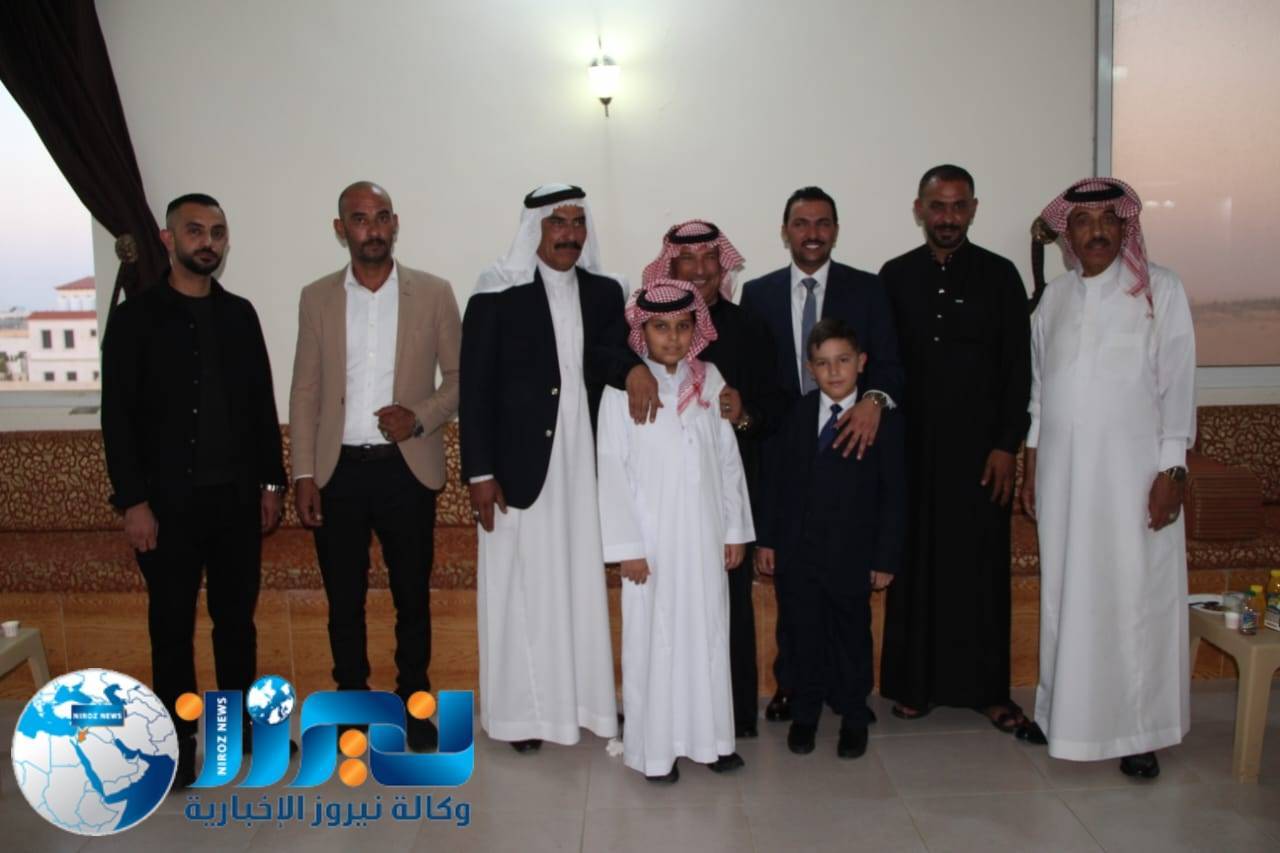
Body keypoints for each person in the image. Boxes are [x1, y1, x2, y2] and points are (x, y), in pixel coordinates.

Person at [459, 183, 659, 752]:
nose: (570, 234)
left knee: (577, 587)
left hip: (583, 465)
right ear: (535, 229)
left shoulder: (603, 291)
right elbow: (475, 388)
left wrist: (634, 368)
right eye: (557, 223)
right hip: (516, 471)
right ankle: (521, 716)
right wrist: (479, 474)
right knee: (521, 591)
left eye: (577, 223)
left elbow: (608, 352)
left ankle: (584, 707)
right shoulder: (496, 293)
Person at [101, 193, 286, 785]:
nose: (209, 242)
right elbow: (117, 419)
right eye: (196, 231)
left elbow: (261, 406)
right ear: (168, 239)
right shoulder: (135, 319)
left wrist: (271, 483)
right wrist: (133, 502)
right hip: (165, 507)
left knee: (235, 625)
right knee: (171, 628)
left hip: (235, 502)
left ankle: (238, 734)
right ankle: (177, 744)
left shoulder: (240, 316)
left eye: (218, 232)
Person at [1022, 177, 1196, 779]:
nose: (1096, 231)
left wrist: (1173, 470)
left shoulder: (1159, 290)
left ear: (1125, 227)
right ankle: (1060, 713)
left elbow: (1178, 386)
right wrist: (1032, 464)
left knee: (1132, 595)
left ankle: (1138, 730)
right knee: (1064, 592)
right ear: (1066, 234)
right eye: (1082, 221)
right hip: (1063, 477)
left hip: (1134, 478)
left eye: (1107, 220)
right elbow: (1041, 394)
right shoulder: (1053, 301)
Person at [288, 181, 460, 751]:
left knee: (413, 597)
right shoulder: (317, 297)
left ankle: (415, 706)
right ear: (341, 229)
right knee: (345, 601)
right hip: (337, 473)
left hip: (405, 469)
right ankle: (353, 704)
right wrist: (303, 473)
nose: (374, 229)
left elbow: (460, 378)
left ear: (395, 223)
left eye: (382, 217)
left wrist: (418, 417)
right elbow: (305, 391)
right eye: (360, 219)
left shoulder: (432, 293)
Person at [877, 165, 1034, 734]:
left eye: (958, 205)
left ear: (973, 209)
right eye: (937, 206)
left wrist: (1006, 445)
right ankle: (914, 687)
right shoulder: (894, 276)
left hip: (982, 455)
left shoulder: (1000, 275)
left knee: (979, 570)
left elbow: (1018, 369)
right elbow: (883, 364)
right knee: (916, 568)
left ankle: (987, 692)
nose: (948, 217)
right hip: (913, 451)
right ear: (919, 209)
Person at [741, 186, 903, 722]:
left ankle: (847, 693)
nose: (812, 233)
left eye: (822, 223)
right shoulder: (758, 293)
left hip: (851, 446)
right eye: (801, 223)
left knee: (846, 597)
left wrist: (874, 401)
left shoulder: (867, 288)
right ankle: (794, 687)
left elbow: (889, 363)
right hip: (785, 456)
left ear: (835, 229)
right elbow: (757, 376)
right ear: (784, 231)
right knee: (797, 597)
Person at [596, 277, 754, 782]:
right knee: (655, 641)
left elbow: (727, 461)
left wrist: (734, 530)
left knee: (708, 636)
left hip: (704, 539)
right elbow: (612, 470)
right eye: (660, 327)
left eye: (683, 327)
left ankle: (712, 742)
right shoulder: (621, 389)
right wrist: (628, 547)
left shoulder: (711, 381)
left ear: (696, 329)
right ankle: (655, 753)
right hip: (652, 542)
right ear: (642, 331)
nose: (673, 337)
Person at [640, 221, 787, 738]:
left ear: (722, 264)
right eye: (688, 259)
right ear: (670, 265)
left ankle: (730, 718)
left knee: (727, 609)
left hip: (728, 497)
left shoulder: (749, 328)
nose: (700, 269)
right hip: (660, 504)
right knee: (666, 613)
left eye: (710, 258)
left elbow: (775, 408)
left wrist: (744, 414)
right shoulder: (647, 336)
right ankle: (668, 719)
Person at [755, 318, 906, 758]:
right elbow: (775, 483)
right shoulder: (797, 415)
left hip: (853, 555)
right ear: (810, 368)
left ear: (861, 362)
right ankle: (805, 715)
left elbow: (895, 494)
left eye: (843, 360)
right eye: (822, 363)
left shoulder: (884, 423)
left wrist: (885, 558)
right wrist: (768, 541)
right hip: (798, 552)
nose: (834, 371)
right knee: (802, 634)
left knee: (852, 637)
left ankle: (854, 716)